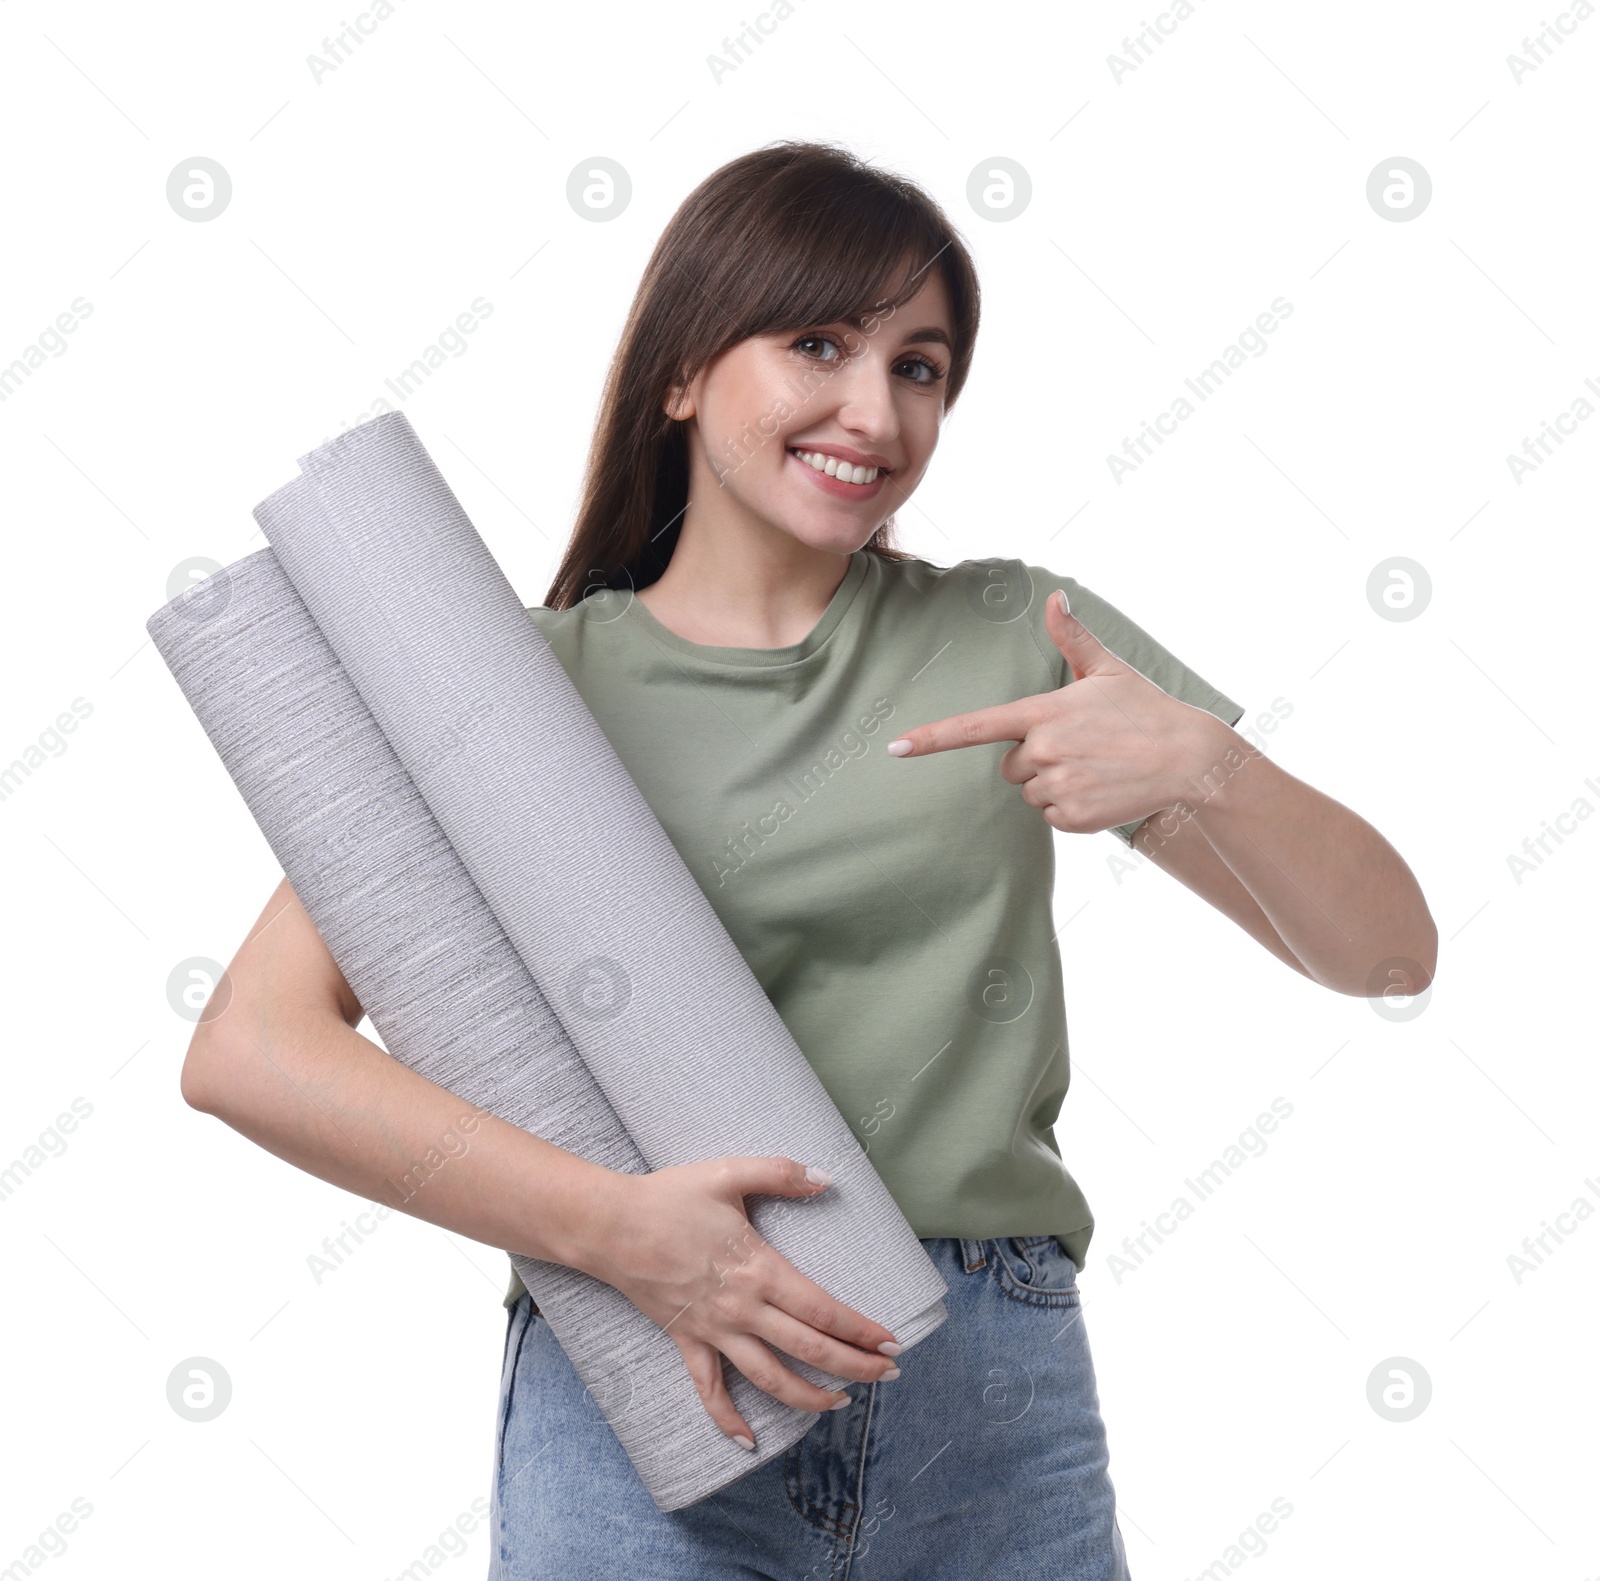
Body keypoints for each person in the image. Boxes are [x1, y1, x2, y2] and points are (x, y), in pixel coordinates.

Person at [182, 140, 1437, 1579]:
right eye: (820, 344)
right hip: (652, 1366)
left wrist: (1211, 767)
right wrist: (616, 1227)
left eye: (921, 364)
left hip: (987, 1390)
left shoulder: (1021, 636)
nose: (875, 408)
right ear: (681, 371)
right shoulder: (507, 689)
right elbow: (252, 1048)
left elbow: (1389, 951)